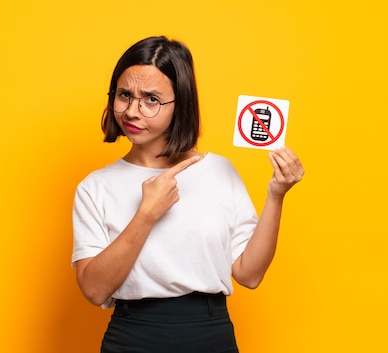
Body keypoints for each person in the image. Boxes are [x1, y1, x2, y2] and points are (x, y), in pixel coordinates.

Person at [71, 36, 304, 353]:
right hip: (131, 335)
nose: (132, 111)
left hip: (208, 332)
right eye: (124, 95)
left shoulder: (219, 171)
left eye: (151, 99)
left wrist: (276, 195)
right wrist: (146, 214)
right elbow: (95, 290)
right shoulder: (95, 187)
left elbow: (249, 274)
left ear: (180, 104)